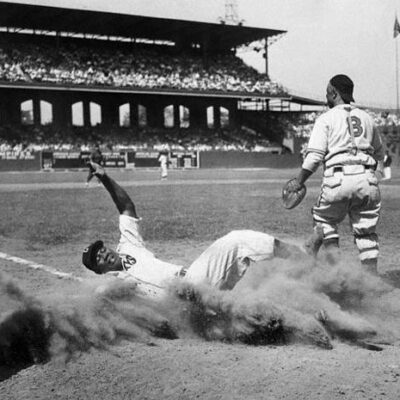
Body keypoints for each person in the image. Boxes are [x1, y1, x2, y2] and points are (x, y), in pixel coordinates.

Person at [82, 161, 305, 291]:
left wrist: (105, 178)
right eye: (97, 259)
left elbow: (127, 208)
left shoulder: (128, 245)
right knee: (249, 311)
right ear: (99, 271)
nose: (103, 255)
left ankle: (302, 257)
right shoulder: (111, 288)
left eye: (101, 250)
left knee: (237, 240)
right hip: (181, 309)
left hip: (193, 283)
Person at [291, 74, 384, 274]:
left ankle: (339, 275)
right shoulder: (368, 118)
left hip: (338, 178)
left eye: (327, 91)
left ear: (333, 92)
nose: (326, 95)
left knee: (324, 221)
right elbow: (380, 153)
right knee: (366, 233)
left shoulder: (326, 118)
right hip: (367, 179)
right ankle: (371, 284)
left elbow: (314, 157)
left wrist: (299, 181)